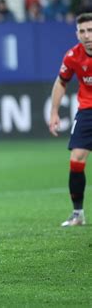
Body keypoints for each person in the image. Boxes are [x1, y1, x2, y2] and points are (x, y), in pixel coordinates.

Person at [49, 13, 92, 227]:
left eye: (90, 30)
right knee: (76, 159)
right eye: (83, 31)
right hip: (87, 111)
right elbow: (61, 82)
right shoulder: (73, 56)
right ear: (77, 34)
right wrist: (54, 112)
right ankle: (78, 214)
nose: (87, 35)